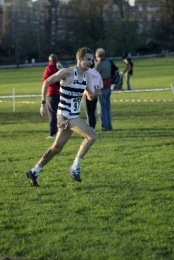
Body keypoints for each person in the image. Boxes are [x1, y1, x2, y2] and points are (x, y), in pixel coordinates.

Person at [26, 47, 101, 187]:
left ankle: (34, 171)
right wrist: (42, 103)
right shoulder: (67, 72)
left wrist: (95, 94)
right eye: (88, 60)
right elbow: (46, 82)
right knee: (92, 136)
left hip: (73, 115)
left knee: (56, 148)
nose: (90, 63)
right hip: (65, 115)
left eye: (92, 60)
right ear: (79, 59)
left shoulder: (87, 76)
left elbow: (90, 96)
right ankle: (74, 168)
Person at [42, 54, 60, 138]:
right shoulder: (60, 67)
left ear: (49, 61)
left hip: (52, 93)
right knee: (60, 113)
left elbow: (44, 81)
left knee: (52, 114)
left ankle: (53, 133)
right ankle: (61, 131)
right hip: (61, 93)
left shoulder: (49, 68)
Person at [95, 48, 112, 131]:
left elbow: (94, 74)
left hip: (101, 88)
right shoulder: (108, 62)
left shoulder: (99, 64)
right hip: (108, 87)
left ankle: (104, 127)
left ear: (98, 55)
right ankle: (109, 125)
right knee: (108, 108)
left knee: (101, 109)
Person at [83, 60, 103, 129]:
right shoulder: (97, 73)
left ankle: (90, 128)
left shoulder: (85, 72)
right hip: (96, 92)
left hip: (87, 94)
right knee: (93, 112)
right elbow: (101, 84)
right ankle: (93, 127)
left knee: (88, 113)